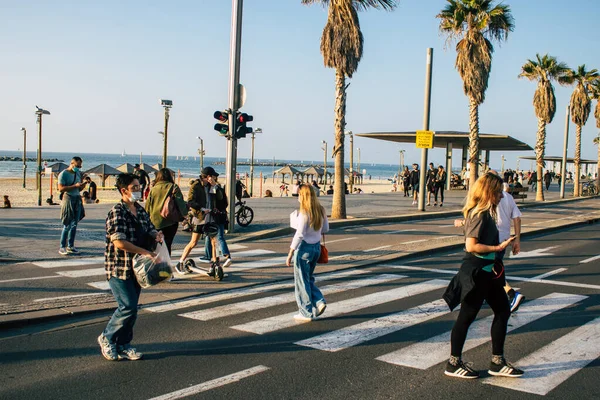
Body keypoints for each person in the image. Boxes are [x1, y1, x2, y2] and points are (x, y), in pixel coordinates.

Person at [444, 172, 522, 379]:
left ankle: (497, 361)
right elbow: (471, 246)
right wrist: (498, 247)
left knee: (503, 311)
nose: (501, 196)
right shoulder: (479, 215)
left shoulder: (486, 213)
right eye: (497, 192)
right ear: (489, 193)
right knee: (466, 317)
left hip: (490, 272)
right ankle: (453, 363)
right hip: (476, 273)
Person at [98, 173, 164, 361]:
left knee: (132, 308)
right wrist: (146, 253)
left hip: (138, 269)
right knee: (127, 306)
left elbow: (149, 227)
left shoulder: (140, 210)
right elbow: (119, 242)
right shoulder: (117, 212)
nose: (139, 190)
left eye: (139, 186)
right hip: (119, 267)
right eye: (134, 187)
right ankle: (107, 337)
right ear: (123, 190)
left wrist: (156, 235)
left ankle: (124, 344)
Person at [286, 184, 329, 321]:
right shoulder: (321, 210)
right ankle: (319, 301)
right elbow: (326, 228)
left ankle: (305, 312)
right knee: (308, 279)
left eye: (299, 194)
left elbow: (299, 234)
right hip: (316, 248)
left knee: (301, 282)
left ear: (303, 196)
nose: (298, 196)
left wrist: (290, 252)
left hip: (304, 249)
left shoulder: (304, 213)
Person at [145, 168, 187, 255]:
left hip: (155, 221)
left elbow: (147, 206)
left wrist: (146, 220)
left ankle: (157, 263)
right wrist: (185, 216)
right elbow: (180, 203)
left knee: (157, 244)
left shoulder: (153, 189)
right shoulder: (173, 187)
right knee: (168, 244)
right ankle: (166, 263)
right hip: (170, 221)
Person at [174, 174, 208, 274]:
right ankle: (180, 262)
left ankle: (214, 263)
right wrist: (201, 209)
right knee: (193, 242)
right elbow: (190, 202)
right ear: (205, 177)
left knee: (213, 240)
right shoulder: (196, 186)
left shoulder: (208, 186)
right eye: (211, 177)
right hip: (199, 217)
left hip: (208, 217)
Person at [203, 166, 232, 275]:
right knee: (212, 240)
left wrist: (215, 186)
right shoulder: (204, 187)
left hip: (216, 217)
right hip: (211, 216)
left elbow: (223, 201)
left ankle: (224, 256)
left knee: (216, 238)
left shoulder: (217, 188)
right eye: (212, 176)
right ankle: (214, 262)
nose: (214, 178)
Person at [58, 156, 85, 256]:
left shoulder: (77, 173)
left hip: (77, 198)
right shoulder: (63, 174)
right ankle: (62, 246)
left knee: (74, 224)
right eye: (77, 165)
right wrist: (75, 186)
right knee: (67, 224)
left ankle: (71, 245)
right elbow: (61, 188)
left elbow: (79, 189)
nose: (79, 167)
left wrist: (82, 185)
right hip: (68, 198)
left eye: (80, 166)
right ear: (72, 163)